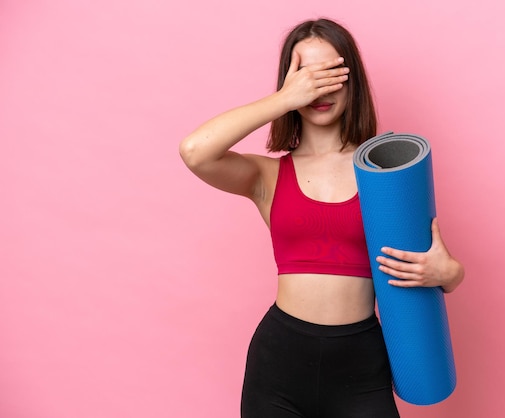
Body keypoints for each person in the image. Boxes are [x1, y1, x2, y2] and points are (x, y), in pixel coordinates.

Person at [179, 18, 464, 418]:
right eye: (308, 77)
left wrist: (448, 274)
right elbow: (195, 151)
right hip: (279, 362)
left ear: (353, 82)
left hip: (361, 366)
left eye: (333, 74)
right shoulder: (268, 176)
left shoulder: (383, 172)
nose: (320, 89)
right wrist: (283, 99)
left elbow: (439, 266)